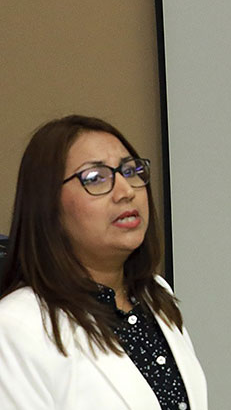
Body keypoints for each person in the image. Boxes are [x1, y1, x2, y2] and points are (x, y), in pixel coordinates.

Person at [0, 115, 207, 409]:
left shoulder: (156, 295)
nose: (126, 191)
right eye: (96, 178)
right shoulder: (15, 327)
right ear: (48, 205)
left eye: (131, 170)